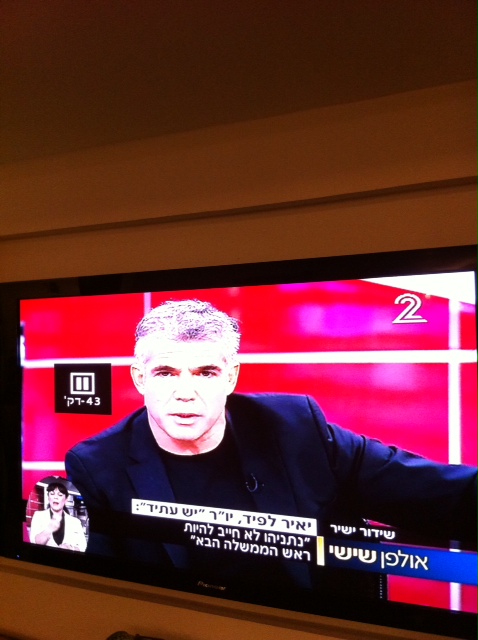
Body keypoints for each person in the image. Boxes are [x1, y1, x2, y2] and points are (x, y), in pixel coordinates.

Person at [65, 300, 478, 593]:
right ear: (139, 379)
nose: (185, 392)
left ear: (231, 377)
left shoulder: (295, 428)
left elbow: (436, 493)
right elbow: (99, 593)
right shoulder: (96, 467)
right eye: (166, 373)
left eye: (206, 373)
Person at [29, 481, 87, 552]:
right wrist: (49, 529)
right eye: (52, 494)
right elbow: (33, 542)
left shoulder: (75, 522)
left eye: (60, 495)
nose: (55, 497)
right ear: (48, 497)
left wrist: (71, 549)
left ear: (66, 500)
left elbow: (83, 547)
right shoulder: (38, 516)